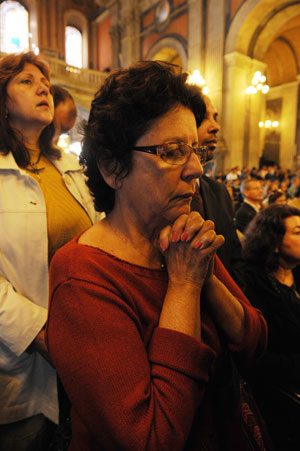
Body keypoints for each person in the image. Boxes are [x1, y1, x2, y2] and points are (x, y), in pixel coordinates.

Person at [46, 61, 269, 451]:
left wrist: (206, 278)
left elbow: (255, 341)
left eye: (195, 151)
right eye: (173, 152)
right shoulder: (81, 275)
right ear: (114, 168)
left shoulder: (182, 238)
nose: (197, 168)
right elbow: (152, 438)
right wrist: (184, 286)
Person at [0, 51, 98, 451]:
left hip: (84, 345)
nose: (42, 86)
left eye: (43, 80)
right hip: (21, 361)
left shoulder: (69, 165)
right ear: (2, 101)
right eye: (25, 81)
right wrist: (38, 333)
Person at [242, 204, 300, 450]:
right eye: (298, 231)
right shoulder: (252, 284)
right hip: (280, 399)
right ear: (274, 241)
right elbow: (256, 356)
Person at [191, 95, 245, 288]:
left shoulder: (220, 191)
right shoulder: (163, 194)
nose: (216, 127)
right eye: (204, 117)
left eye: (215, 117)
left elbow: (234, 255)